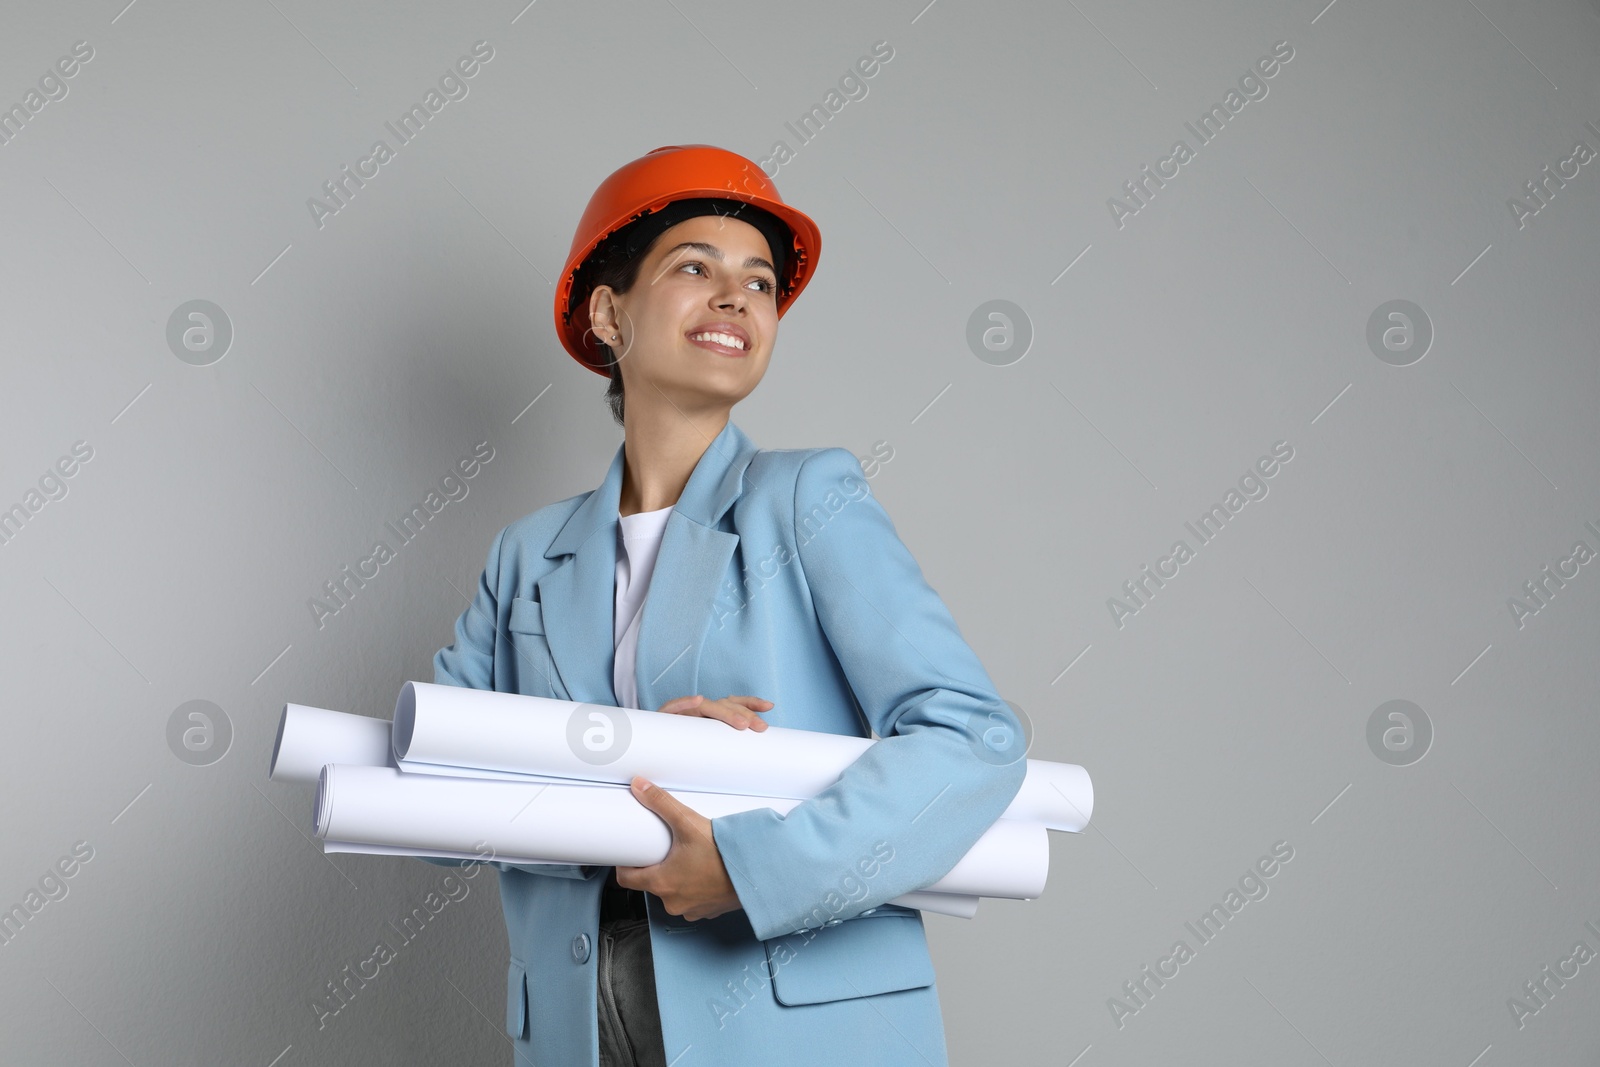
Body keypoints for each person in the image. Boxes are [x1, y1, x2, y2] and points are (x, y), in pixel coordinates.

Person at [428, 144, 1027, 1067]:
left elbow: (975, 739)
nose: (736, 296)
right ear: (608, 310)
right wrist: (638, 745)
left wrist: (751, 869)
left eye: (759, 281)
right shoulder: (525, 556)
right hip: (583, 1025)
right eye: (694, 267)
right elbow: (433, 797)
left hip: (787, 1021)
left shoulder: (807, 499)